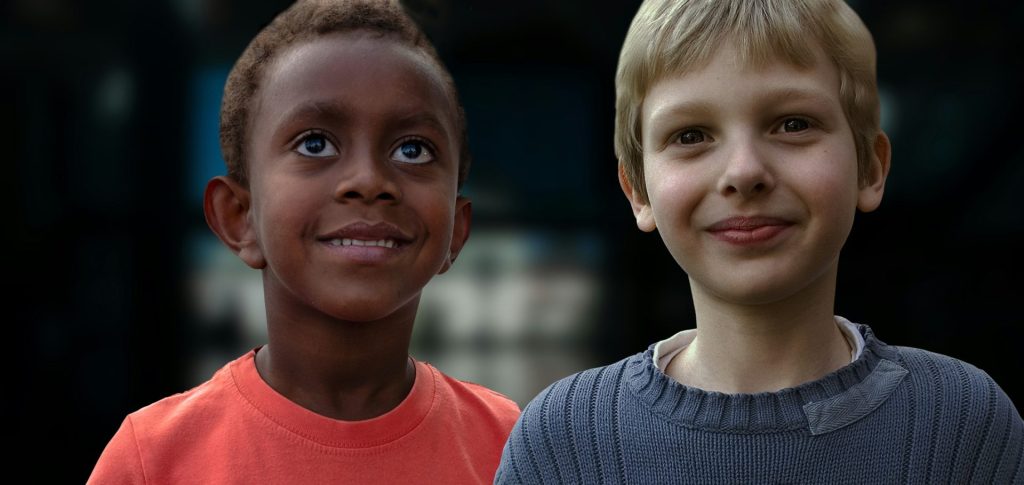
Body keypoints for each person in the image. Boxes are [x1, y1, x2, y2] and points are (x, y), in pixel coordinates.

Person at [496, 0, 1023, 483]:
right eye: (691, 135)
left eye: (793, 124)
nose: (744, 172)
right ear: (638, 191)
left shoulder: (958, 422)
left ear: (870, 167)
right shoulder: (565, 441)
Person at [88, 1, 520, 483]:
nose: (368, 179)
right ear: (239, 218)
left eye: (412, 149)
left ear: (456, 230)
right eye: (315, 144)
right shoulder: (152, 459)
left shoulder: (515, 446)